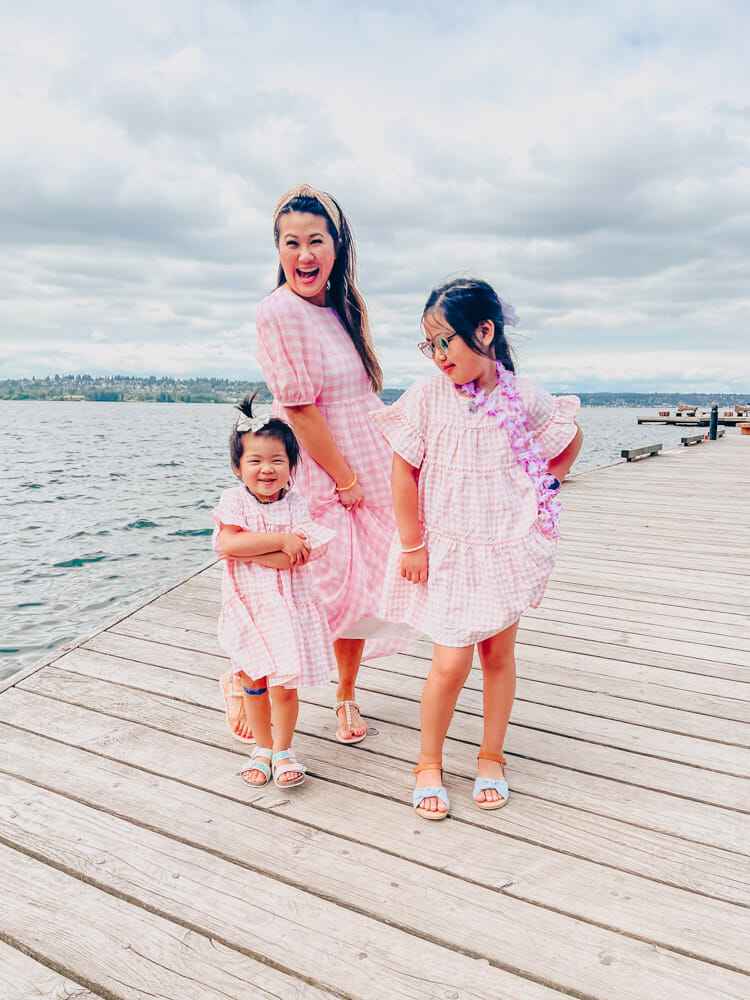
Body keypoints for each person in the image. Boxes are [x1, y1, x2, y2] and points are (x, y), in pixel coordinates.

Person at [371, 277, 583, 820]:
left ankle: (492, 754)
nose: (439, 354)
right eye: (430, 344)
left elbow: (568, 437)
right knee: (449, 662)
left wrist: (545, 486)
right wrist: (411, 543)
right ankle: (428, 761)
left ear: (484, 332)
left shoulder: (522, 396)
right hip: (446, 548)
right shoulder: (425, 396)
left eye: (447, 341)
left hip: (503, 545)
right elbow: (403, 471)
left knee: (497, 655)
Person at [254, 183, 404, 745]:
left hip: (365, 463)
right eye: (291, 243)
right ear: (278, 249)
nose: (304, 255)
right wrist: (345, 480)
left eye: (316, 241)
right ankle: (249, 682)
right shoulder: (279, 312)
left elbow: (364, 397)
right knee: (306, 592)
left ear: (337, 246)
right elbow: (298, 408)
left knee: (362, 590)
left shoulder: (343, 308)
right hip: (324, 472)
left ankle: (344, 695)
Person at [212, 393, 336, 787]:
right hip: (248, 610)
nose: (267, 469)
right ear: (237, 467)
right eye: (255, 461)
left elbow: (291, 559)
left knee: (284, 685)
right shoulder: (233, 501)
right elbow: (228, 544)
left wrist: (261, 547)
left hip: (288, 612)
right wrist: (281, 541)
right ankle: (261, 747)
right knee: (254, 682)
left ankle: (283, 749)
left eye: (277, 461)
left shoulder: (297, 505)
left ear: (291, 467)